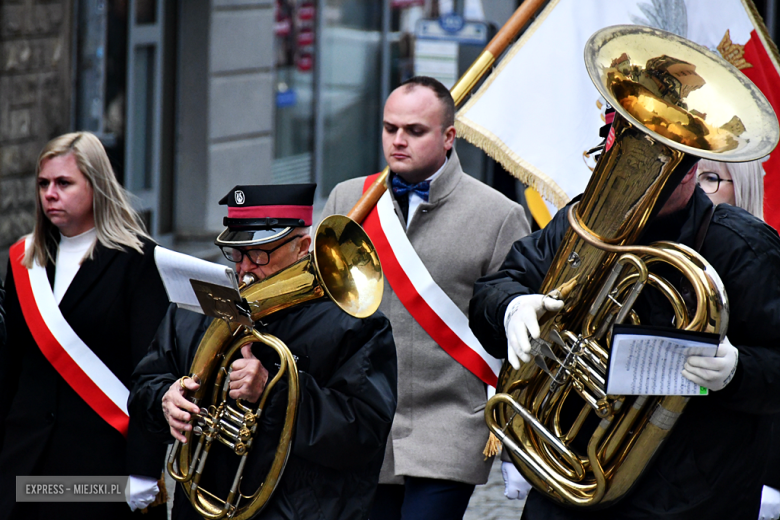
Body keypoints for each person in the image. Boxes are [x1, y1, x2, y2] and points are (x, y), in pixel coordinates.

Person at [469, 145, 780, 520]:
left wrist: (738, 371)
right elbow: (499, 286)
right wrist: (510, 307)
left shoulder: (742, 243)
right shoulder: (585, 221)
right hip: (566, 489)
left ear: (689, 170)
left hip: (690, 499)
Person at [321, 76, 531, 519]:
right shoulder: (348, 199)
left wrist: (516, 442)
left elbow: (520, 340)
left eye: (414, 130)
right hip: (363, 421)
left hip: (453, 421)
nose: (398, 140)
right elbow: (322, 309)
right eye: (389, 128)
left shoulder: (499, 215)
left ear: (448, 136)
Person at [129, 183, 398, 520]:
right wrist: (164, 400)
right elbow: (145, 385)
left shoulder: (355, 326)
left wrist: (273, 392)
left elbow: (364, 432)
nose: (244, 269)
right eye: (236, 253)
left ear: (302, 246)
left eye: (259, 254)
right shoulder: (197, 306)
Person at [0, 132, 170, 519]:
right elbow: (9, 368)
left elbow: (152, 371)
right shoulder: (23, 259)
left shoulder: (138, 260)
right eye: (43, 184)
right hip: (24, 456)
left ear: (97, 186)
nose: (50, 194)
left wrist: (144, 469)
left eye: (64, 183)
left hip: (99, 465)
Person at [696, 158, 780, 520]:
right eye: (693, 177)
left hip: (744, 465)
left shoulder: (762, 256)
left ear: (741, 186)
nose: (699, 190)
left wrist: (738, 369)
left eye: (712, 178)